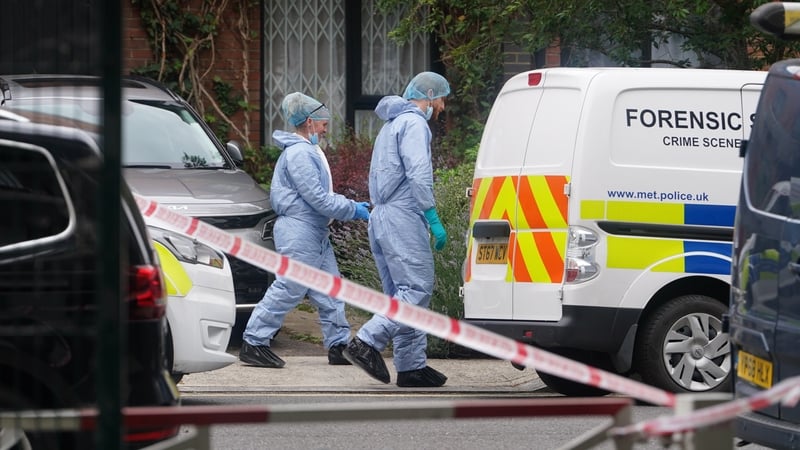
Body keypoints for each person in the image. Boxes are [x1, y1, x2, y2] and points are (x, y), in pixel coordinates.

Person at [239, 92, 370, 368]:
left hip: (314, 232)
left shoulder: (307, 150)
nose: (325, 129)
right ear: (310, 122)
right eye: (323, 124)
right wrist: (353, 209)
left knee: (330, 288)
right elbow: (318, 198)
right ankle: (253, 341)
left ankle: (338, 344)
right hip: (300, 231)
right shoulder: (299, 154)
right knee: (290, 286)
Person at [342, 72, 450, 387]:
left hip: (381, 217)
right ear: (429, 95)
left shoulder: (390, 125)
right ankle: (366, 341)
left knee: (400, 294)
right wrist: (432, 215)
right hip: (402, 216)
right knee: (416, 289)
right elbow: (418, 172)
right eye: (441, 99)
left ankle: (411, 366)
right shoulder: (415, 124)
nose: (441, 107)